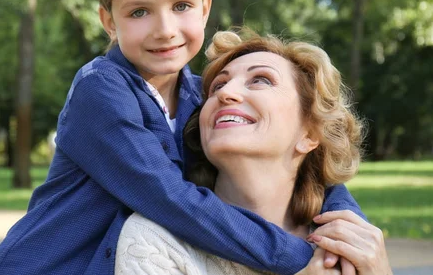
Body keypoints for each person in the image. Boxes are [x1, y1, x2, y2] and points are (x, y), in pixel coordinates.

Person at [0, 0, 366, 275]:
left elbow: (317, 170)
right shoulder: (101, 91)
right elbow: (169, 199)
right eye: (139, 12)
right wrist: (297, 255)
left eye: (181, 6)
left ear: (204, 8)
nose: (165, 29)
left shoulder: (200, 97)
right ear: (109, 22)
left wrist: (349, 232)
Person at [115, 30, 392, 275]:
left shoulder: (349, 245)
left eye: (261, 80)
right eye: (218, 86)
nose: (226, 93)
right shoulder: (155, 241)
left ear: (310, 134)